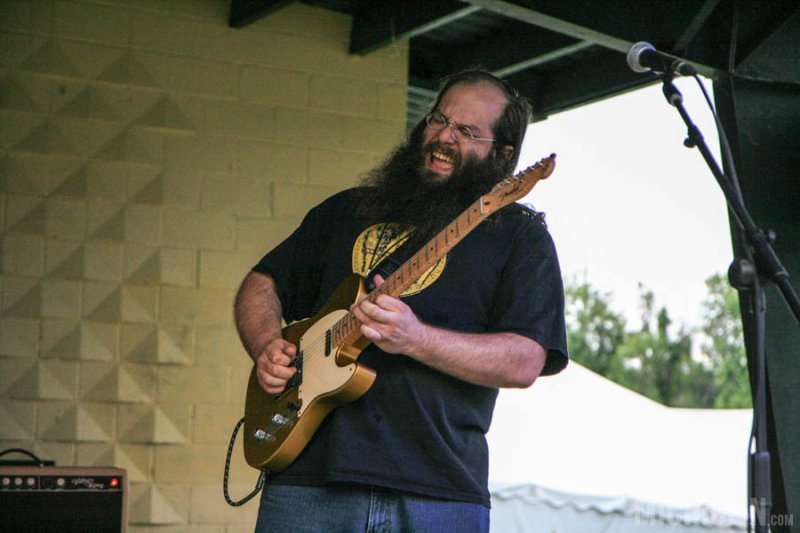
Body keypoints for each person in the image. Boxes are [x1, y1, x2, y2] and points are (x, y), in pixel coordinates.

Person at [234, 69, 568, 532]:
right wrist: (267, 345)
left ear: (504, 153)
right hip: (307, 481)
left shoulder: (519, 237)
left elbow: (525, 361)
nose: (443, 137)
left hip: (439, 490)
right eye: (438, 120)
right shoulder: (347, 210)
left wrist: (416, 338)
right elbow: (260, 283)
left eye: (467, 132)